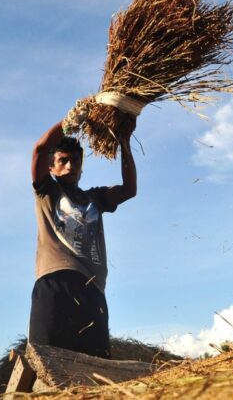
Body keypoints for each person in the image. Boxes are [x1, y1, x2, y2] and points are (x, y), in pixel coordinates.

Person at [29, 117, 137, 358]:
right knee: (47, 360)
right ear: (51, 168)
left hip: (92, 290)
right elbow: (40, 149)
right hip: (55, 286)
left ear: (81, 166)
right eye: (62, 161)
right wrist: (68, 122)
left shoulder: (95, 199)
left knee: (95, 367)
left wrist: (125, 142)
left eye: (75, 160)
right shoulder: (47, 191)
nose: (69, 166)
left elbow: (129, 189)